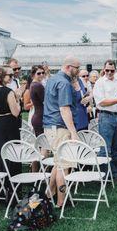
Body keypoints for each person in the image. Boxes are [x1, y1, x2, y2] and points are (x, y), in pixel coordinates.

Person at [43, 56, 81, 206]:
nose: (78, 71)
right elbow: (64, 109)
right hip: (60, 127)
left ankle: (48, 194)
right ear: (68, 67)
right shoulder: (64, 83)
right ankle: (61, 202)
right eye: (77, 68)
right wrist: (73, 132)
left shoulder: (52, 79)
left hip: (50, 127)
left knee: (58, 164)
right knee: (64, 167)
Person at [93, 61, 117, 181]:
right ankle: (104, 176)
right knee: (105, 148)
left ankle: (114, 174)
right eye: (107, 70)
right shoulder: (99, 83)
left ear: (115, 70)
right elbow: (101, 102)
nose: (109, 72)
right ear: (104, 70)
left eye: (112, 70)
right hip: (105, 117)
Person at [0, 65, 22, 199]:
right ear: (2, 76)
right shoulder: (8, 92)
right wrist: (18, 99)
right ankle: (12, 190)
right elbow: (16, 112)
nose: (12, 77)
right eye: (9, 75)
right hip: (9, 125)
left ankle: (0, 190)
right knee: (11, 155)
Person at [29, 65, 46, 136]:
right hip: (40, 117)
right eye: (38, 73)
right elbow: (45, 101)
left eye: (43, 72)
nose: (41, 75)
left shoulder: (33, 84)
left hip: (38, 116)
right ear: (33, 74)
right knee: (43, 144)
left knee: (41, 144)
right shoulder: (37, 86)